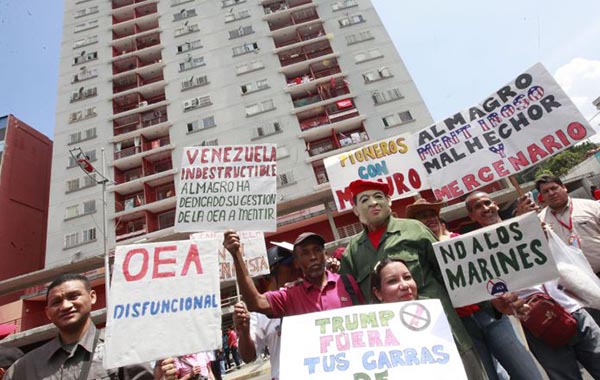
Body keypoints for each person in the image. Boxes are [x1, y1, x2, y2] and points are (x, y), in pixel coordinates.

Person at [338, 179, 484, 380]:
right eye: (364, 199)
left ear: (389, 202)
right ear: (355, 210)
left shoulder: (414, 229)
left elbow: (449, 273)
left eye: (379, 197)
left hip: (441, 332)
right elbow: (352, 298)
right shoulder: (352, 252)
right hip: (398, 351)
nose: (373, 203)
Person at [4, 273, 154, 380]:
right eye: (56, 302)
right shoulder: (25, 367)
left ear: (92, 297)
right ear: (48, 312)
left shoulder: (122, 346)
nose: (65, 306)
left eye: (73, 296)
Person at [461, 192, 544, 380]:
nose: (485, 208)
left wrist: (527, 221)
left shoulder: (526, 224)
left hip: (553, 303)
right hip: (513, 311)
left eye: (487, 203)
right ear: (471, 216)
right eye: (477, 207)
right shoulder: (474, 245)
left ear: (496, 205)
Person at [516, 174, 600, 323]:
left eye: (554, 188)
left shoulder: (591, 207)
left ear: (564, 187)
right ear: (541, 197)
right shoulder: (540, 221)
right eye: (545, 192)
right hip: (579, 286)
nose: (551, 193)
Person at [223, 231, 364, 318]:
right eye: (305, 253)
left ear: (325, 255)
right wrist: (236, 255)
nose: (313, 256)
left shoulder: (347, 283)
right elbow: (255, 303)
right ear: (296, 262)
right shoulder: (290, 296)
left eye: (317, 250)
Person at [233, 243, 301, 380]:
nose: (295, 267)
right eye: (288, 264)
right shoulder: (259, 312)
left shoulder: (308, 294)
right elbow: (248, 357)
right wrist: (244, 332)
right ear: (272, 271)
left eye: (295, 262)